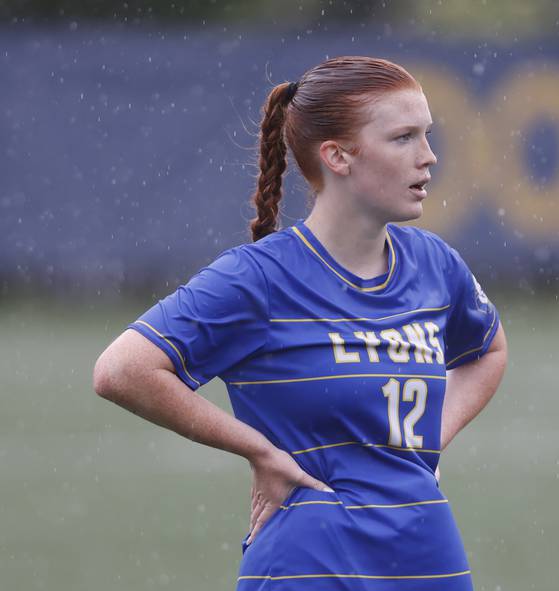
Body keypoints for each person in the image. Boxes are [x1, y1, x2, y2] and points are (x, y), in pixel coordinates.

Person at [93, 56, 507, 590]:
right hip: (309, 563)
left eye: (427, 135)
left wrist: (427, 442)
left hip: (428, 556)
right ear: (337, 156)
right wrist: (258, 450)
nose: (428, 158)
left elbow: (487, 352)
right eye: (403, 138)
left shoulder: (435, 265)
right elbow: (122, 370)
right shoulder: (258, 278)